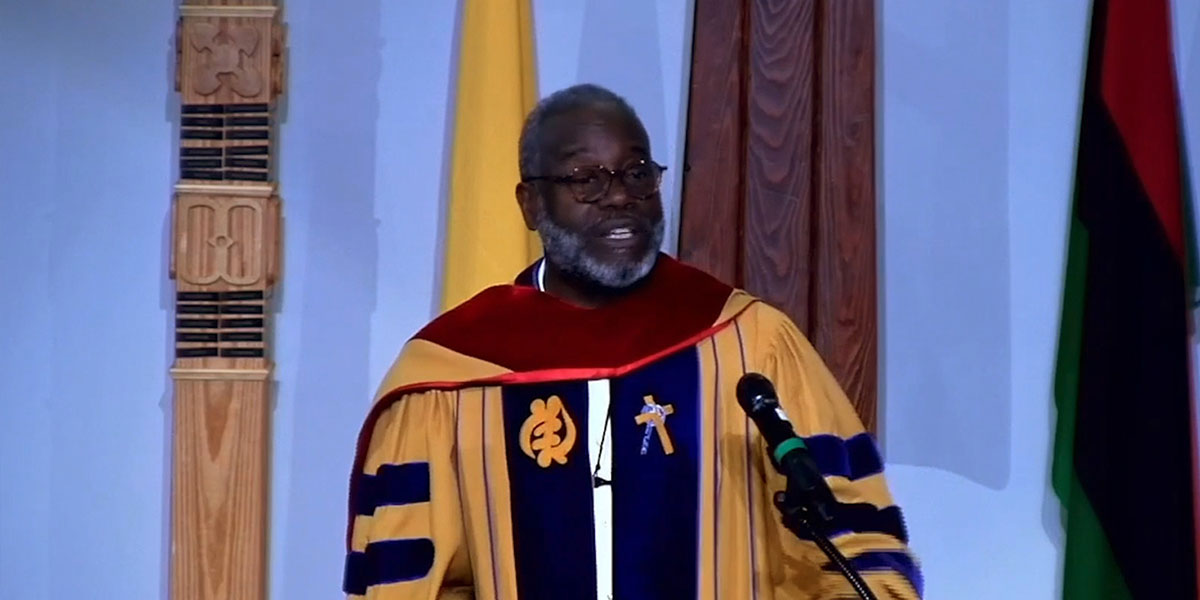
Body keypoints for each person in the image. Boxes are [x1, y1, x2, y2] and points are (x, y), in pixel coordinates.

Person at [342, 84, 922, 599]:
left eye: (637, 173)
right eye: (585, 179)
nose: (619, 196)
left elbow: (852, 545)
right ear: (531, 204)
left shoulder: (750, 344)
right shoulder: (454, 373)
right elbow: (412, 580)